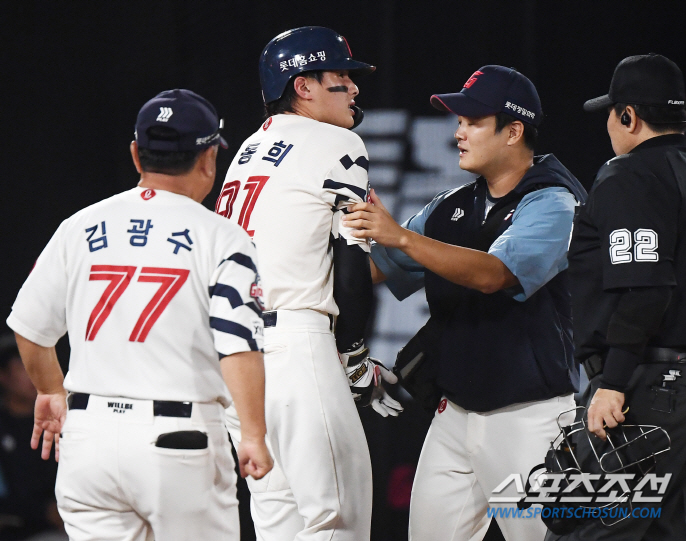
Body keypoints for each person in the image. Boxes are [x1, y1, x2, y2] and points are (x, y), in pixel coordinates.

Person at [6, 89, 273, 541]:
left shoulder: (80, 226)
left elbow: (29, 328)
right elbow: (237, 344)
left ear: (136, 154)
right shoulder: (221, 236)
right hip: (177, 441)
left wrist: (51, 389)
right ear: (209, 157)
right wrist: (252, 433)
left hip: (87, 439)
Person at [344, 65, 587, 541]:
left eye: (473, 121)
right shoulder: (451, 205)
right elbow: (377, 267)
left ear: (513, 131)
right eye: (458, 120)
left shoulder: (554, 199)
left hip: (529, 420)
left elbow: (495, 275)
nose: (457, 132)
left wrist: (402, 238)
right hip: (454, 416)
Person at [218, 26, 401, 541]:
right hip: (297, 345)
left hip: (238, 357)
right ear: (303, 85)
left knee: (278, 520)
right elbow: (349, 262)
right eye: (341, 76)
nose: (354, 87)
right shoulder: (335, 139)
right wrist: (356, 357)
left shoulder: (247, 150)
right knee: (335, 519)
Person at [555, 54, 686, 540]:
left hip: (641, 387)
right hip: (685, 389)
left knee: (583, 530)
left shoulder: (631, 175)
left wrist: (613, 382)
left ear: (629, 115)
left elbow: (645, 288)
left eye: (612, 115)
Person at [0, 334, 66, 541]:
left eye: (37, 365)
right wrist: (43, 511)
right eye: (22, 367)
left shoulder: (61, 421)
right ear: (3, 376)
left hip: (63, 527)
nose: (33, 375)